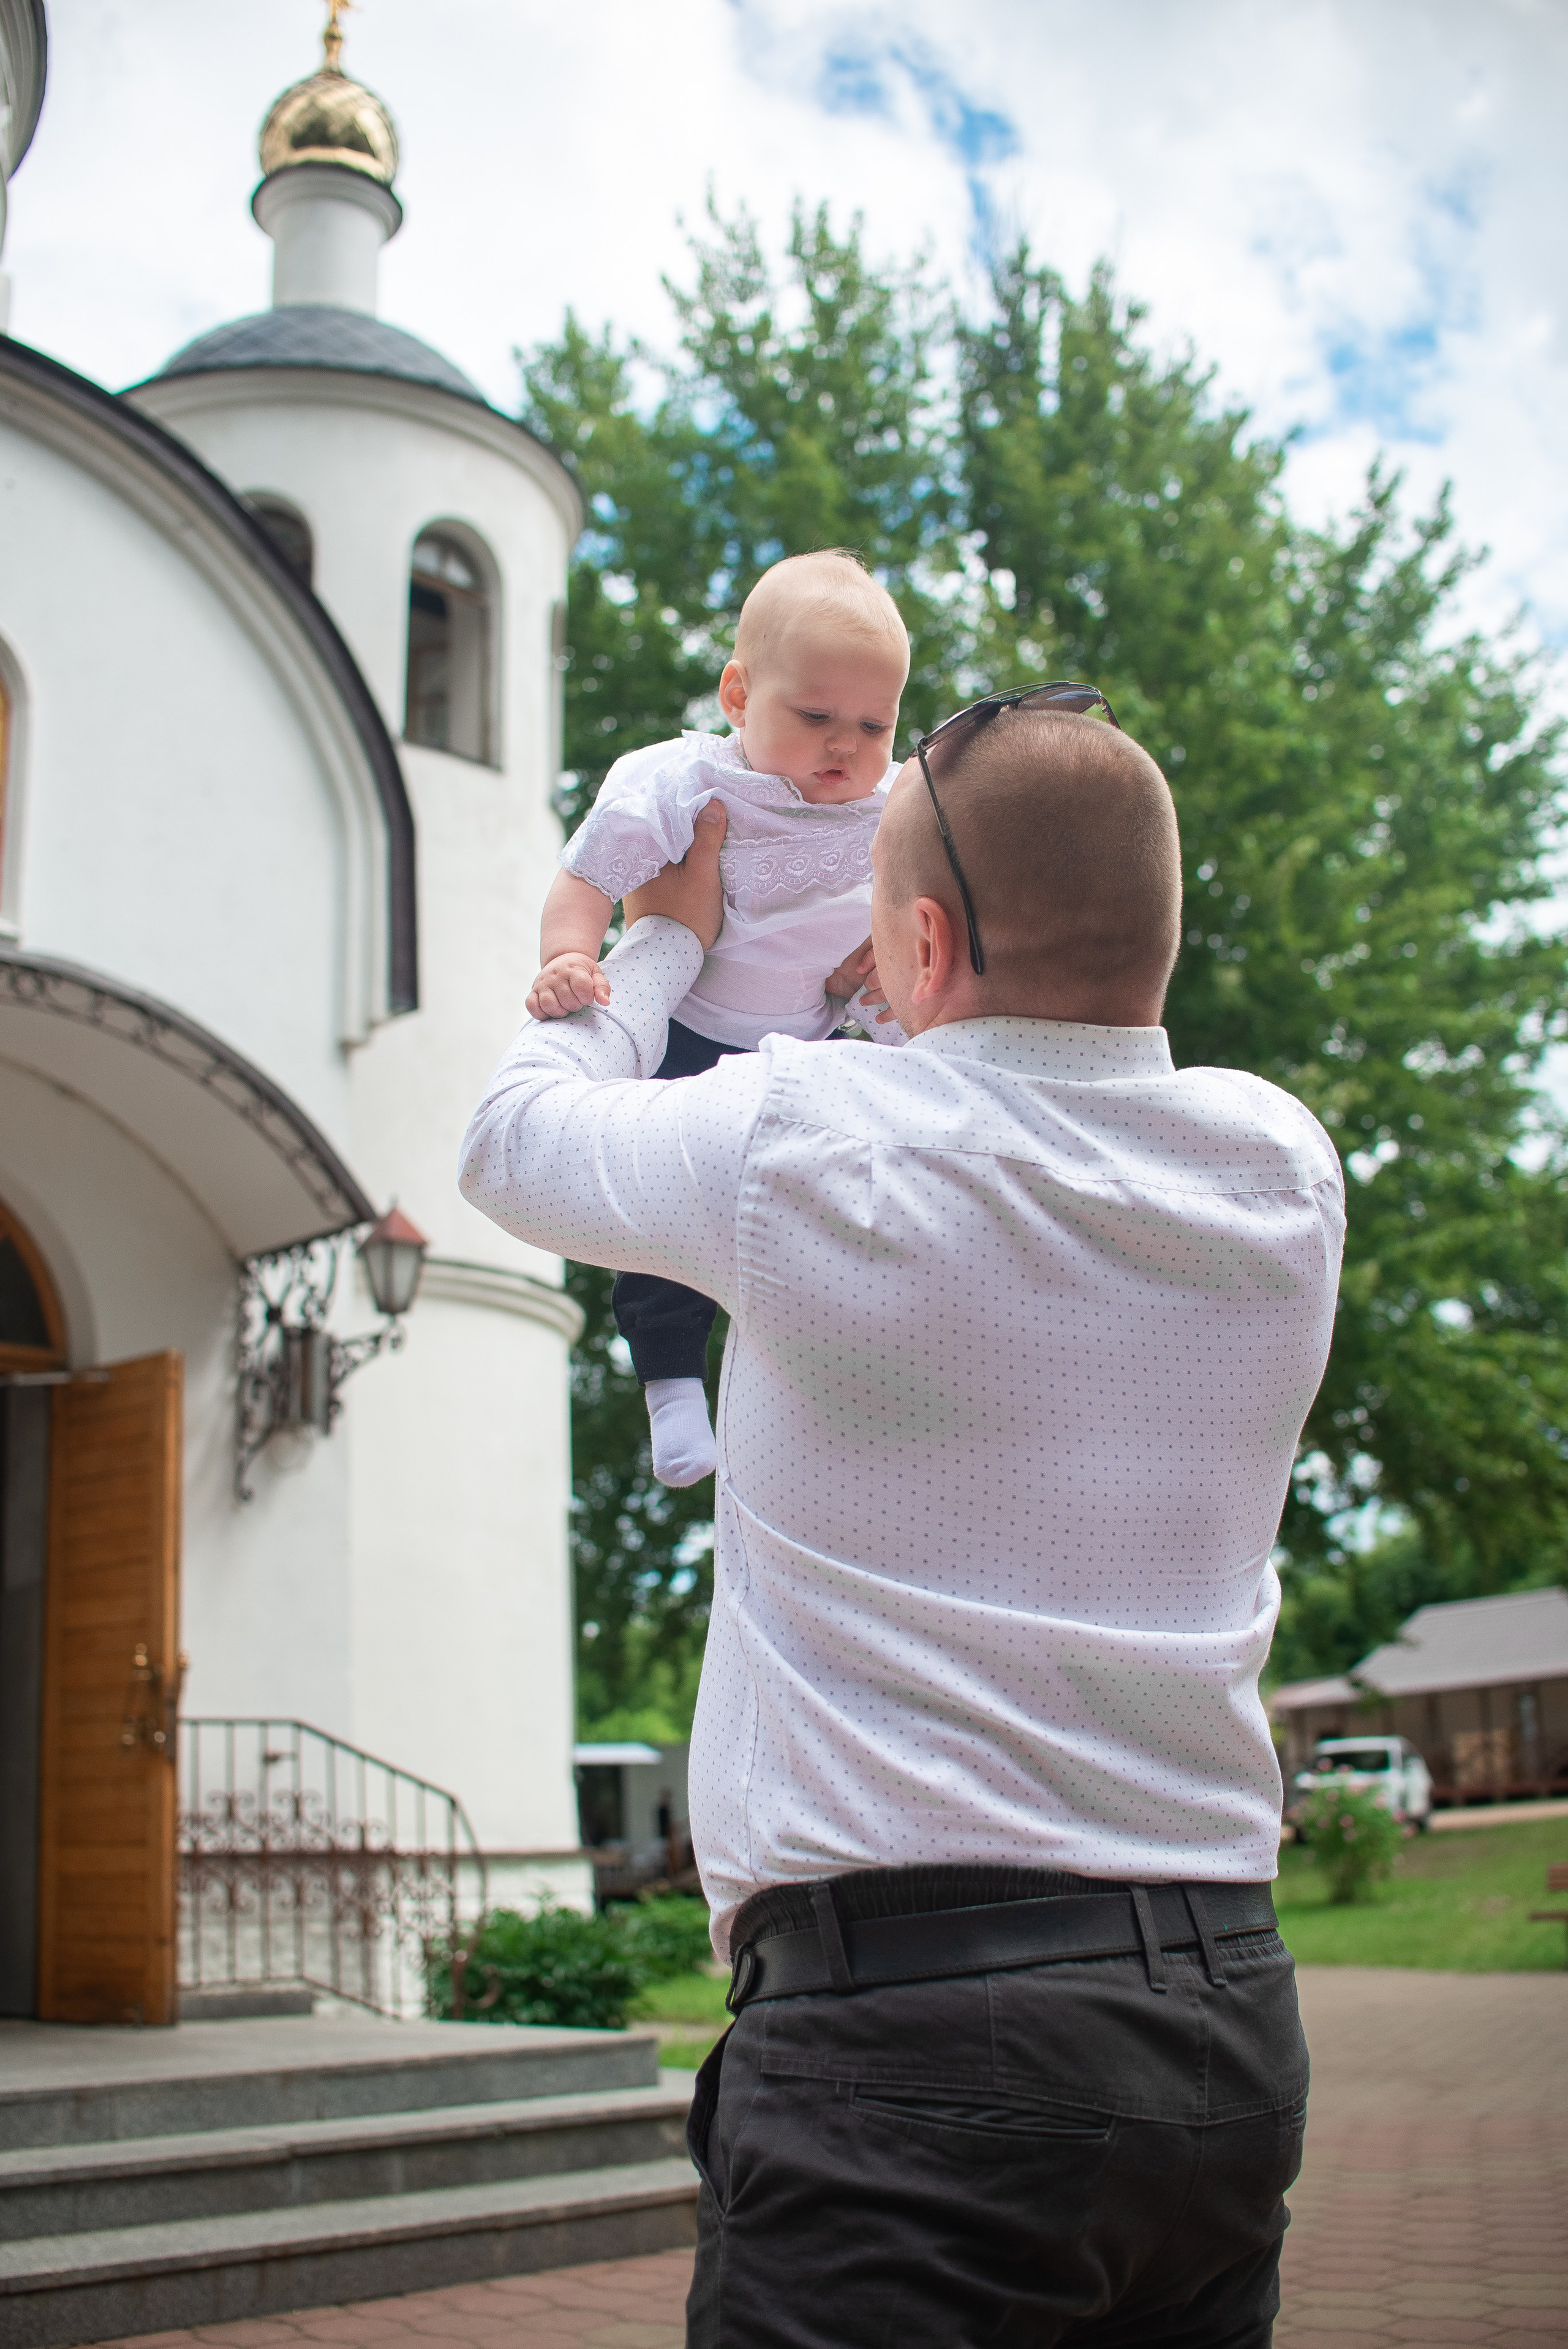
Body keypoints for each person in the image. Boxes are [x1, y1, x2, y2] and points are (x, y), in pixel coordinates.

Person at [461, 688, 1344, 2348]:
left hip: (911, 2053)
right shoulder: (1283, 1170)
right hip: (1224, 2022)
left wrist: (664, 942)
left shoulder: (807, 1138)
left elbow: (509, 1144)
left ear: (922, 941)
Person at [528, 548, 908, 1488]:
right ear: (738, 695)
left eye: (874, 725)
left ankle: (819, 1391)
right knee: (664, 1218)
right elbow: (588, 875)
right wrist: (569, 956)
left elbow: (934, 899)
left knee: (810, 1209)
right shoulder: (688, 784)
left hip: (810, 1034)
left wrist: (889, 959)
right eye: (815, 717)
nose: (845, 747)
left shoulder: (896, 804)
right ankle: (669, 1386)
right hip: (690, 1026)